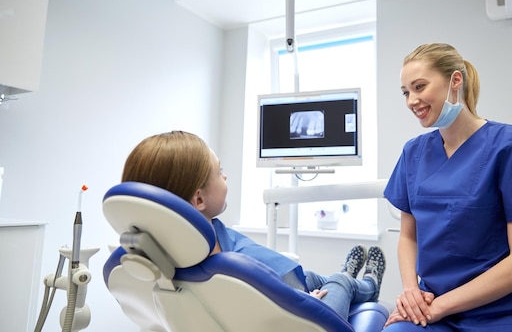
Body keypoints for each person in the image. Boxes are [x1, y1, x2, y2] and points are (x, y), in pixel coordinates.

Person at [382, 43, 512, 331]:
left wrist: (437, 309)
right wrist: (411, 292)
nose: (411, 100)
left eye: (420, 87)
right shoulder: (413, 153)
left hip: (506, 312)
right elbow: (409, 237)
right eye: (406, 92)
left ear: (455, 81)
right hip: (433, 306)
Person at [121, 130, 386, 322]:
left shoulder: (157, 259)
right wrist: (307, 305)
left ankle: (347, 279)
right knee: (340, 282)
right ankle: (366, 284)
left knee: (314, 277)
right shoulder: (228, 271)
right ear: (199, 199)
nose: (225, 176)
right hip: (301, 316)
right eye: (219, 171)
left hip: (289, 285)